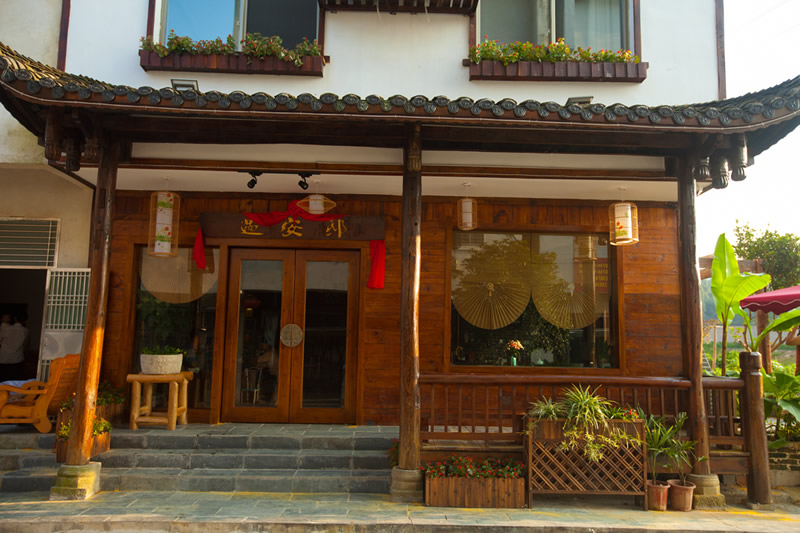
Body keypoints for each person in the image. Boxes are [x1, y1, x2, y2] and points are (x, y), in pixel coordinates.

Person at [0, 313, 28, 382]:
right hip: (17, 359)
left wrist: (4, 322)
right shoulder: (25, 331)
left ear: (15, 318)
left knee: (3, 379)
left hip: (3, 358)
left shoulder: (6, 329)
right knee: (15, 380)